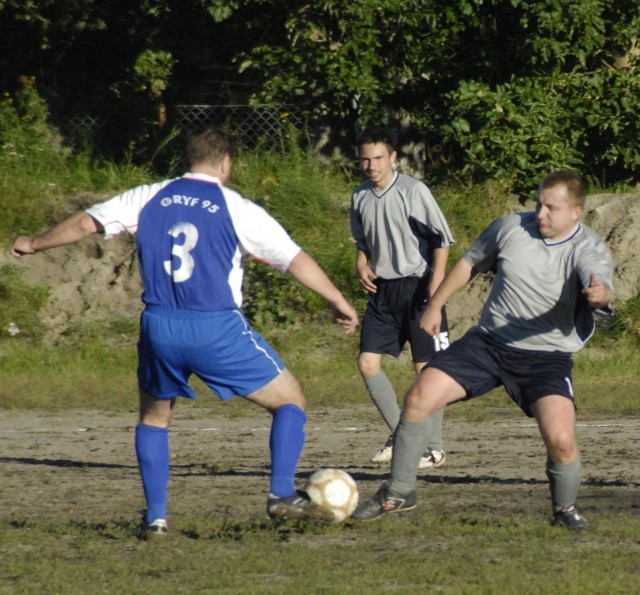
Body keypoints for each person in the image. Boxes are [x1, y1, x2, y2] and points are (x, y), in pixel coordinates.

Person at [11, 127, 359, 539]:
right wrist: (338, 299)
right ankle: (281, 494)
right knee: (290, 401)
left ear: (188, 160)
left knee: (155, 418)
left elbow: (88, 223)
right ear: (226, 163)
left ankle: (156, 518)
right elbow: (293, 259)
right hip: (215, 327)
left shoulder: (149, 195)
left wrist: (34, 243)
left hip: (159, 325)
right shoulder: (236, 207)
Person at [352, 170, 614, 531]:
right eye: (539, 203)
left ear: (576, 213)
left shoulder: (589, 248)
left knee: (562, 440)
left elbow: (596, 280)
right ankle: (399, 491)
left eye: (551, 208)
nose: (540, 213)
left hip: (545, 358)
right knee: (420, 395)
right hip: (487, 344)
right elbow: (469, 263)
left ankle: (564, 509)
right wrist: (434, 305)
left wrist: (600, 295)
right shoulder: (510, 228)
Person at [350, 128, 454, 469]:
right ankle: (402, 436)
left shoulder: (413, 191)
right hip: (384, 292)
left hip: (419, 287)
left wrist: (436, 285)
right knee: (367, 363)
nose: (371, 164)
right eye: (365, 158)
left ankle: (434, 449)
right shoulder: (360, 196)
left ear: (393, 157)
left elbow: (441, 240)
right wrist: (362, 263)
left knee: (428, 371)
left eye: (378, 157)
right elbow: (362, 243)